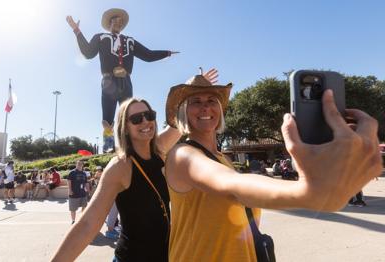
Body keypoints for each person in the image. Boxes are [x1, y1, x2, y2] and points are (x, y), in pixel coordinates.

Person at [164, 72, 382, 261]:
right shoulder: (181, 155)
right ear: (184, 111)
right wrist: (307, 193)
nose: (205, 107)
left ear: (219, 109)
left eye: (211, 99)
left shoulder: (223, 158)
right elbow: (232, 185)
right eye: (196, 101)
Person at [51, 71, 219, 261]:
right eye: (137, 119)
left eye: (149, 115)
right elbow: (89, 223)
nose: (146, 121)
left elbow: (178, 122)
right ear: (125, 127)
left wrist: (193, 90)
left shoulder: (159, 150)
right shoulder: (121, 166)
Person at [66, 8, 179, 151]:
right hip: (109, 81)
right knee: (107, 116)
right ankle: (108, 147)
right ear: (109, 23)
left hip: (126, 81)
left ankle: (130, 146)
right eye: (116, 20)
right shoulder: (100, 37)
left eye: (121, 22)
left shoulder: (130, 41)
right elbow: (88, 53)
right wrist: (77, 30)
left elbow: (148, 55)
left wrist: (167, 53)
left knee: (128, 114)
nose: (119, 23)